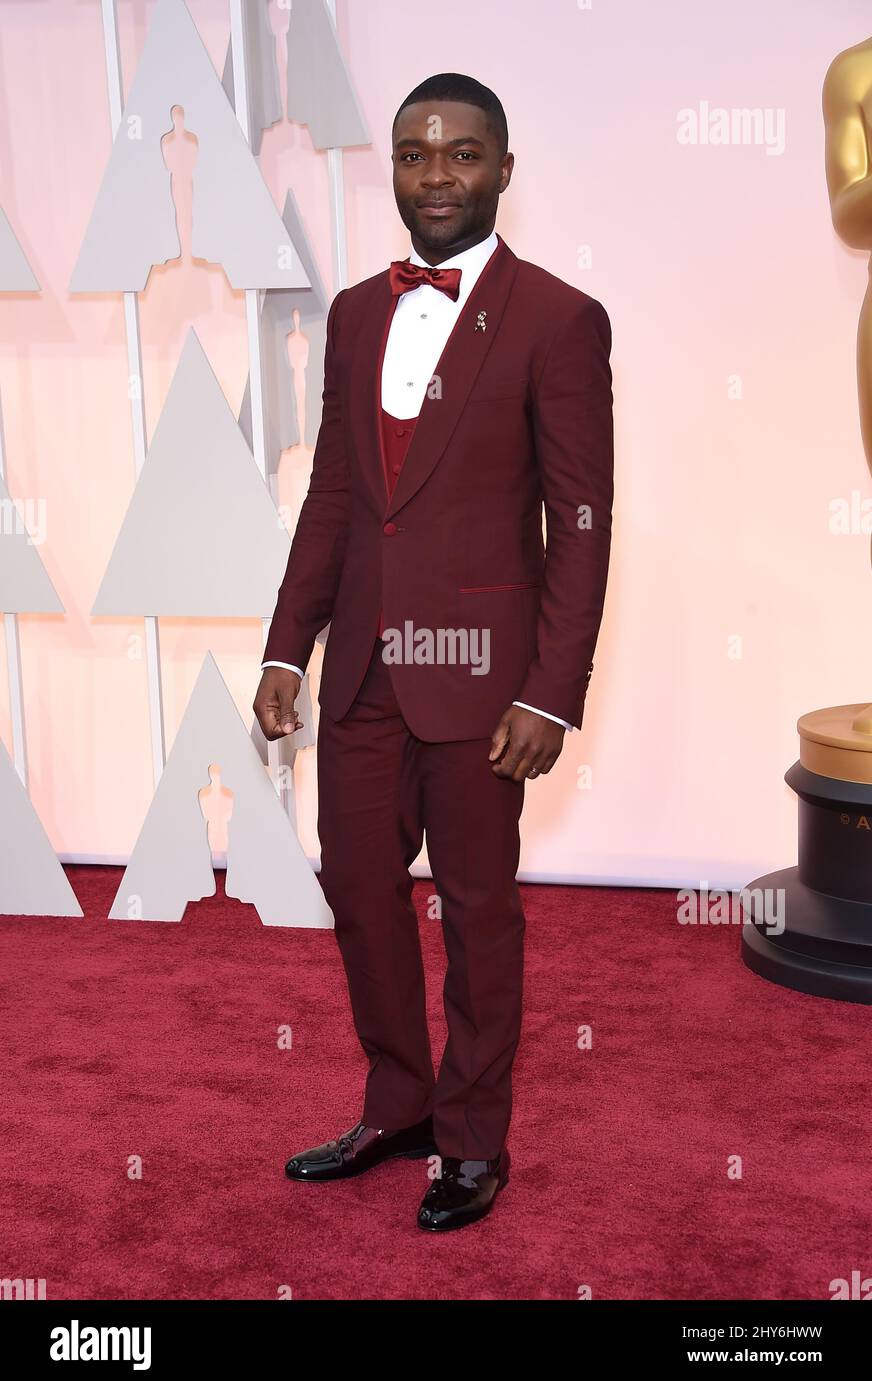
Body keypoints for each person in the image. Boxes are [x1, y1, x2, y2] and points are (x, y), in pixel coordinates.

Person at [254, 72, 614, 1232]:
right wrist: (285, 649)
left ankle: (469, 1141)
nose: (436, 175)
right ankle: (398, 1105)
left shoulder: (560, 319)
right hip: (361, 665)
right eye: (414, 154)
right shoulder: (357, 311)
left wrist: (550, 695)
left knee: (475, 913)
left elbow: (581, 522)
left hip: (483, 682)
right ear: (394, 171)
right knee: (359, 891)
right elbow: (335, 496)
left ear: (504, 170)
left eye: (462, 155)